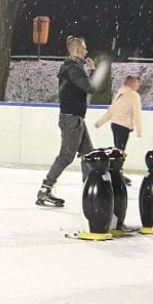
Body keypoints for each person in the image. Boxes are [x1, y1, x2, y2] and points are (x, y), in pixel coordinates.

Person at [37, 36, 103, 207]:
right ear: (78, 49)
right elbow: (91, 88)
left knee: (88, 154)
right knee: (66, 156)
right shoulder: (73, 68)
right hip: (71, 119)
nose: (87, 51)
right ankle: (45, 189)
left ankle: (89, 190)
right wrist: (93, 70)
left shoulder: (72, 68)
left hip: (75, 118)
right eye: (85, 47)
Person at [95, 75, 144, 153]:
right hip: (124, 125)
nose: (137, 85)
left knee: (117, 148)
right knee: (120, 150)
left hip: (114, 124)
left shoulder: (119, 94)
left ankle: (116, 163)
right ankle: (117, 164)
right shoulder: (133, 95)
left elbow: (111, 111)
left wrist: (100, 122)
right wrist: (139, 130)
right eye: (136, 83)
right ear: (132, 83)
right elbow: (136, 113)